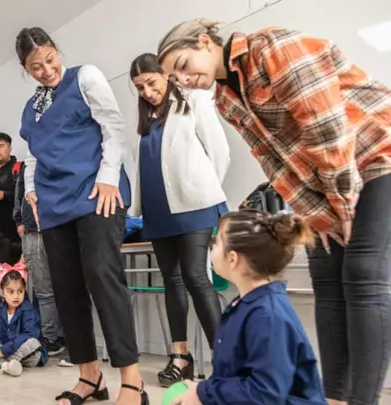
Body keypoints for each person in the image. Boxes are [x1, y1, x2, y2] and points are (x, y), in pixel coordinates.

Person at [157, 20, 391, 405]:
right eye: (175, 79)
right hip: (331, 180)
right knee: (325, 274)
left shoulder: (272, 48)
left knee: (363, 271)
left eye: (183, 65)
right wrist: (317, 213)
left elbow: (326, 130)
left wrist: (341, 204)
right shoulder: (225, 100)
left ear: (204, 42)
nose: (184, 79)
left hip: (376, 154)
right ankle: (334, 398)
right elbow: (275, 163)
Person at [16, 27, 146, 405]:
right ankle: (90, 377)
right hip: (53, 204)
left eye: (50, 59)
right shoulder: (31, 107)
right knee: (67, 289)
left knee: (103, 278)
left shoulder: (85, 77)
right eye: (36, 67)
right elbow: (33, 155)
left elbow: (113, 127)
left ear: (57, 51)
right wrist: (31, 191)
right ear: (26, 69)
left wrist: (108, 178)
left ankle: (133, 382)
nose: (46, 70)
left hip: (96, 193)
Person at [128, 53, 229, 386]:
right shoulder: (146, 118)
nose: (147, 92)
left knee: (195, 276)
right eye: (140, 88)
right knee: (171, 281)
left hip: (194, 206)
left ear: (165, 75)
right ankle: (180, 356)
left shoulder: (193, 101)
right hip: (158, 210)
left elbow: (219, 151)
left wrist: (205, 189)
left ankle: (224, 360)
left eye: (151, 83)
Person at [171, 211, 326, 405]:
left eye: (217, 243)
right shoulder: (244, 306)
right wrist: (202, 391)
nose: (213, 247)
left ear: (233, 258)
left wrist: (205, 393)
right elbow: (235, 374)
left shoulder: (268, 317)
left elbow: (265, 392)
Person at [13, 161, 64, 357]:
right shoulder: (27, 165)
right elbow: (20, 194)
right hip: (32, 233)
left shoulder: (58, 158)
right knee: (42, 291)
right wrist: (19, 221)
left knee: (66, 288)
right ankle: (49, 339)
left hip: (58, 230)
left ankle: (61, 338)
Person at [0, 263, 47, 377]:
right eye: (11, 292)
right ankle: (6, 365)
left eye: (20, 291)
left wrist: (5, 349)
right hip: (3, 349)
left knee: (33, 342)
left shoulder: (29, 310)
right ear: (2, 293)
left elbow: (29, 334)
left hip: (26, 356)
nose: (16, 296)